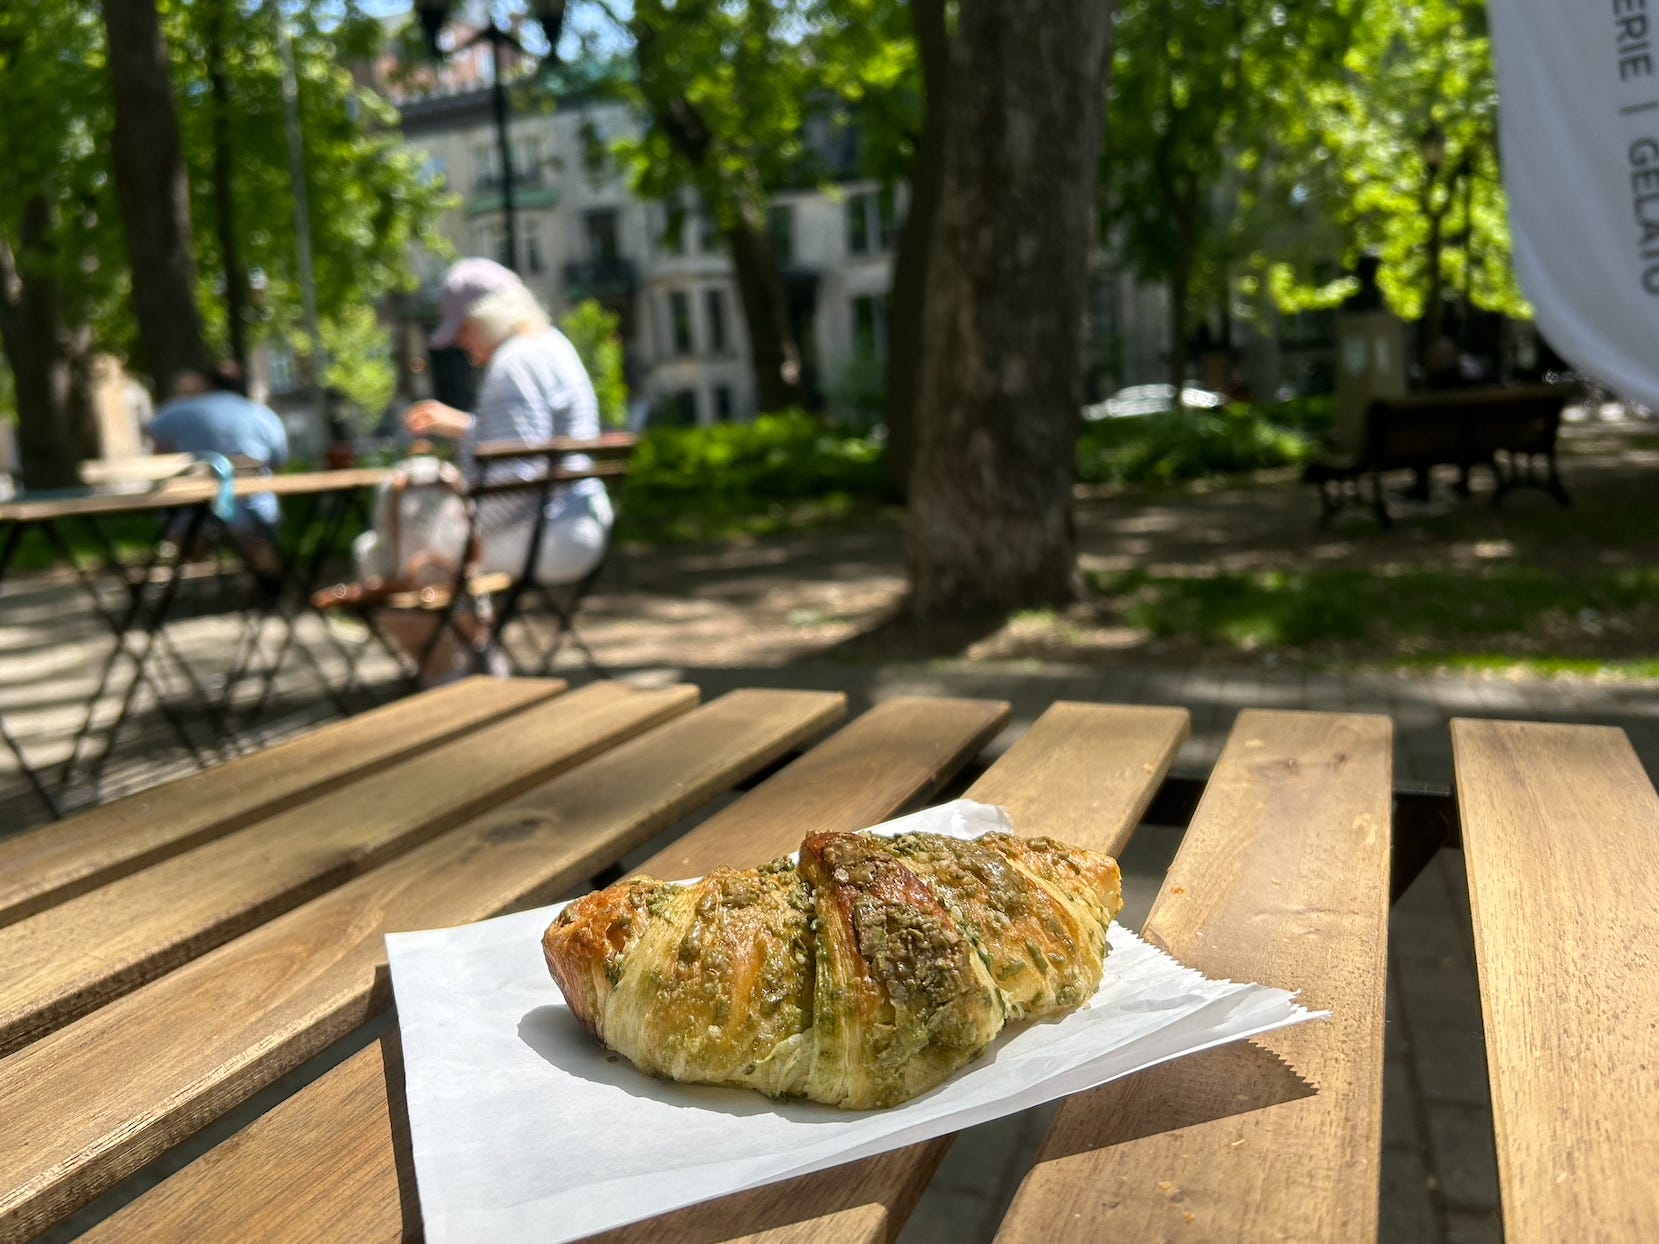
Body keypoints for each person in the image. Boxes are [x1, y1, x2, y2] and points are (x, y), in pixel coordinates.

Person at [350, 258, 613, 680]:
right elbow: (529, 445)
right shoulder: (552, 346)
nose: (462, 344)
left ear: (488, 318)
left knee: (406, 560)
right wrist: (461, 426)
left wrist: (465, 533)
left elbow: (516, 476)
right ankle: (481, 668)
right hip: (578, 518)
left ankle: (455, 681)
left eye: (465, 330)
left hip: (544, 532)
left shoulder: (512, 365)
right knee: (428, 553)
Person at [146, 363, 289, 535]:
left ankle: (182, 558)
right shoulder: (261, 414)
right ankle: (266, 559)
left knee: (188, 536)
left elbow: (152, 436)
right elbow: (279, 463)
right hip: (256, 509)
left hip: (191, 511)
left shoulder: (182, 410)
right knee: (256, 540)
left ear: (206, 383)